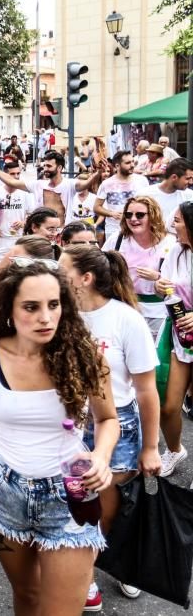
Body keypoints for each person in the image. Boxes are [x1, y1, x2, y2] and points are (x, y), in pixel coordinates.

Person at [0, 259, 119, 616]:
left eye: (54, 305)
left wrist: (100, 455)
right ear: (9, 309)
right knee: (26, 597)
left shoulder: (85, 355)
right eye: (31, 307)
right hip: (4, 493)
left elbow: (109, 419)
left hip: (70, 497)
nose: (46, 317)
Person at [59, 245, 161, 606]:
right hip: (69, 425)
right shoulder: (62, 314)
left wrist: (150, 447)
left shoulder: (125, 319)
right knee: (78, 506)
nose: (57, 274)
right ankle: (83, 571)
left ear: (84, 279)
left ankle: (106, 568)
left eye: (63, 268)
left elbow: (147, 390)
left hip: (117, 426)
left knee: (105, 509)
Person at [155, 201, 193, 476]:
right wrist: (159, 287)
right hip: (182, 338)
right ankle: (175, 450)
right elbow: (165, 288)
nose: (172, 225)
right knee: (169, 407)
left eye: (178, 220)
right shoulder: (177, 251)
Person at [104, 196, 174, 346]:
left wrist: (158, 277)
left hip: (159, 311)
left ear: (153, 215)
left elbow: (182, 280)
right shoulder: (118, 239)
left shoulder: (170, 242)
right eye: (128, 215)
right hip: (125, 305)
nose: (133, 219)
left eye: (140, 215)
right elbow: (100, 266)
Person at [94, 151, 149, 247]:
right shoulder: (107, 184)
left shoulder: (142, 181)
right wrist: (112, 214)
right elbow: (96, 207)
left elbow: (149, 203)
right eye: (128, 163)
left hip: (137, 227)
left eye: (133, 162)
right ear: (117, 166)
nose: (132, 165)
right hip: (114, 228)